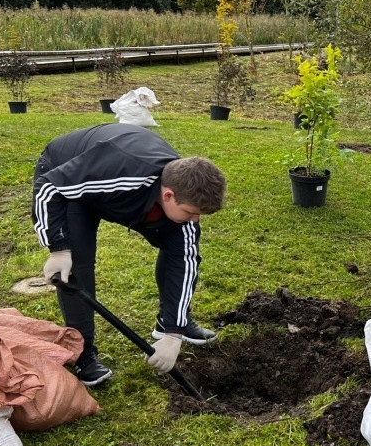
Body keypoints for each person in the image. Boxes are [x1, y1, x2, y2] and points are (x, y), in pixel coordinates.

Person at [32, 124, 227, 386]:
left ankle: (167, 322)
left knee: (177, 248)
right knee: (76, 265)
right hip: (67, 177)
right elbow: (50, 187)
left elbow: (185, 263)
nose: (195, 220)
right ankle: (83, 353)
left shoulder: (181, 192)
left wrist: (174, 333)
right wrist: (58, 247)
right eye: (191, 212)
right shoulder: (125, 175)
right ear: (168, 195)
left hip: (117, 186)